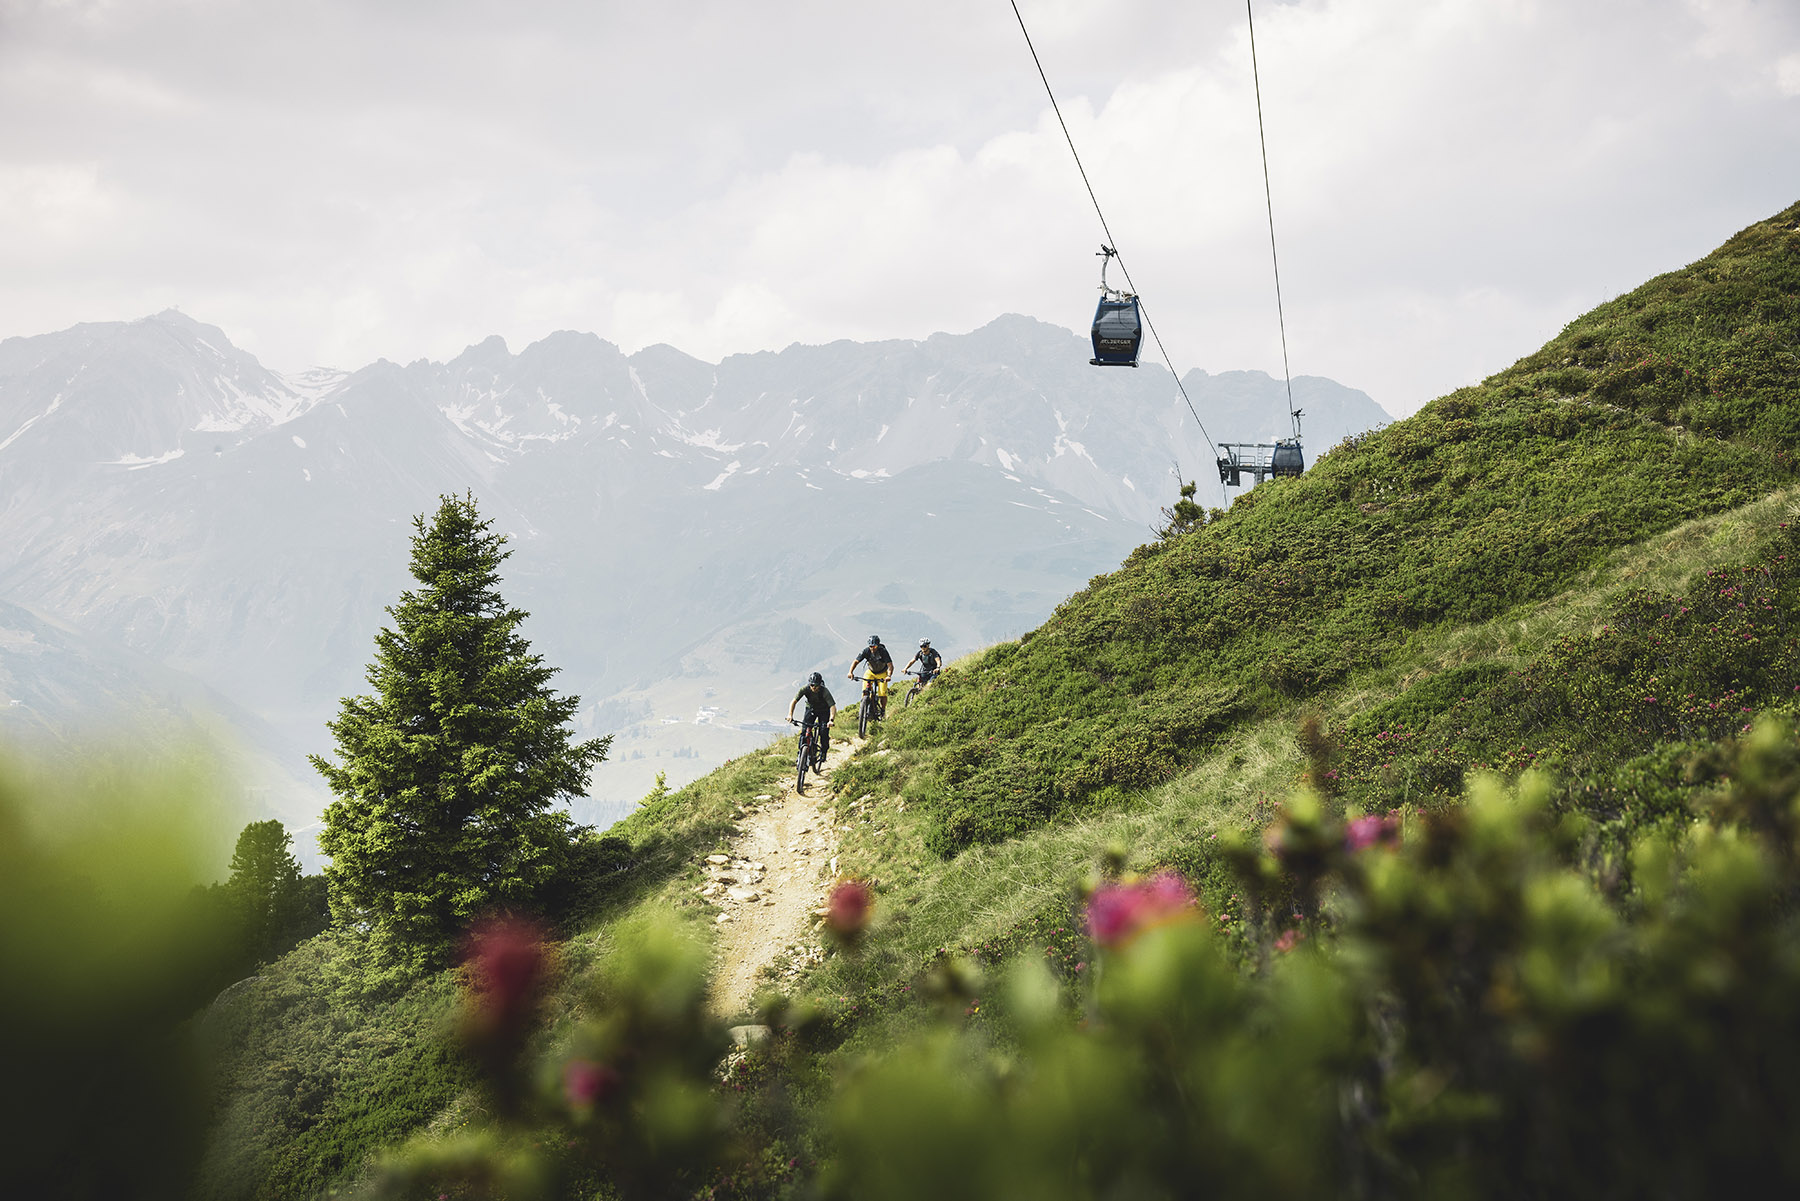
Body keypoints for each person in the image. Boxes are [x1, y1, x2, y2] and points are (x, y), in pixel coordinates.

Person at [788, 671, 836, 766]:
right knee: (804, 731)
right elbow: (793, 701)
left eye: (816, 685)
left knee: (823, 731)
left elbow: (832, 706)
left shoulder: (824, 691)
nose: (814, 687)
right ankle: (801, 753)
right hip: (811, 709)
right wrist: (790, 715)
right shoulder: (805, 689)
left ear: (820, 684)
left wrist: (831, 720)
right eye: (812, 685)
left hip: (824, 711)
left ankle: (823, 751)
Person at [848, 634, 894, 715]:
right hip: (871, 672)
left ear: (878, 645)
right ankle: (864, 709)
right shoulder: (866, 651)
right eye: (871, 646)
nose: (872, 648)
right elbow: (855, 662)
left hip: (882, 673)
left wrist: (889, 676)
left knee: (882, 693)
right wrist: (850, 672)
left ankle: (883, 710)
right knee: (865, 691)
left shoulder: (883, 652)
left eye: (875, 646)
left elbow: (890, 665)